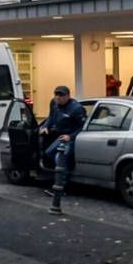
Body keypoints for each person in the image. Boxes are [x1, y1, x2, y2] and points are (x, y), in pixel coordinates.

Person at [39, 85, 86, 213]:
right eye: (56, 95)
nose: (58, 98)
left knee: (59, 157)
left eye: (61, 95)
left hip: (70, 138)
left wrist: (70, 136)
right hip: (60, 136)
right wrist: (46, 126)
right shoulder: (54, 103)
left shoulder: (76, 109)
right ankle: (65, 171)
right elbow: (51, 117)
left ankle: (60, 187)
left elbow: (83, 127)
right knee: (49, 152)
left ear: (68, 96)